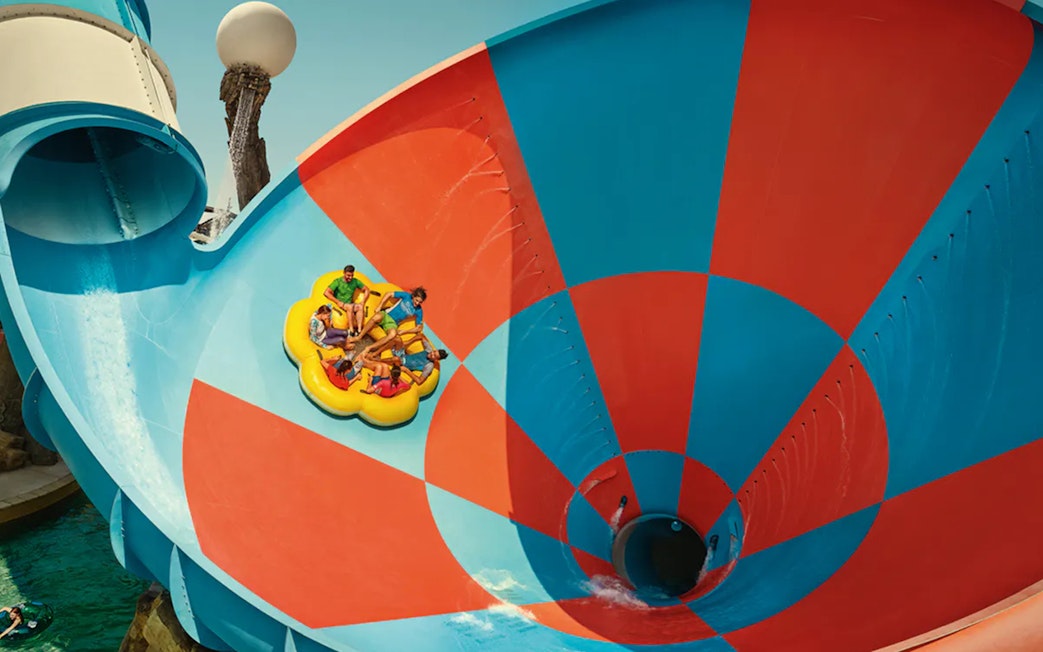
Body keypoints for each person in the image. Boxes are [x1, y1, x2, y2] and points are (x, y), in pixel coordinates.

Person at [352, 286, 427, 349]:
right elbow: (389, 294)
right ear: (413, 296)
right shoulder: (406, 296)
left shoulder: (418, 310)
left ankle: (370, 348)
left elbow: (419, 328)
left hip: (393, 323)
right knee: (376, 317)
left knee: (392, 334)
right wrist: (380, 306)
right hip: (386, 315)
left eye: (420, 302)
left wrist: (404, 331)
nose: (417, 303)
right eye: (416, 300)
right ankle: (359, 336)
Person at [323, 265, 370, 336]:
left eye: (352, 275)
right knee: (350, 307)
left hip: (349, 303)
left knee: (360, 307)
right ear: (344, 273)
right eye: (348, 275)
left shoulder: (355, 281)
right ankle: (351, 330)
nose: (350, 278)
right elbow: (326, 292)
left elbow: (367, 289)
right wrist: (338, 302)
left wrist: (363, 302)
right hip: (340, 304)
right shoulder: (337, 282)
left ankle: (360, 330)